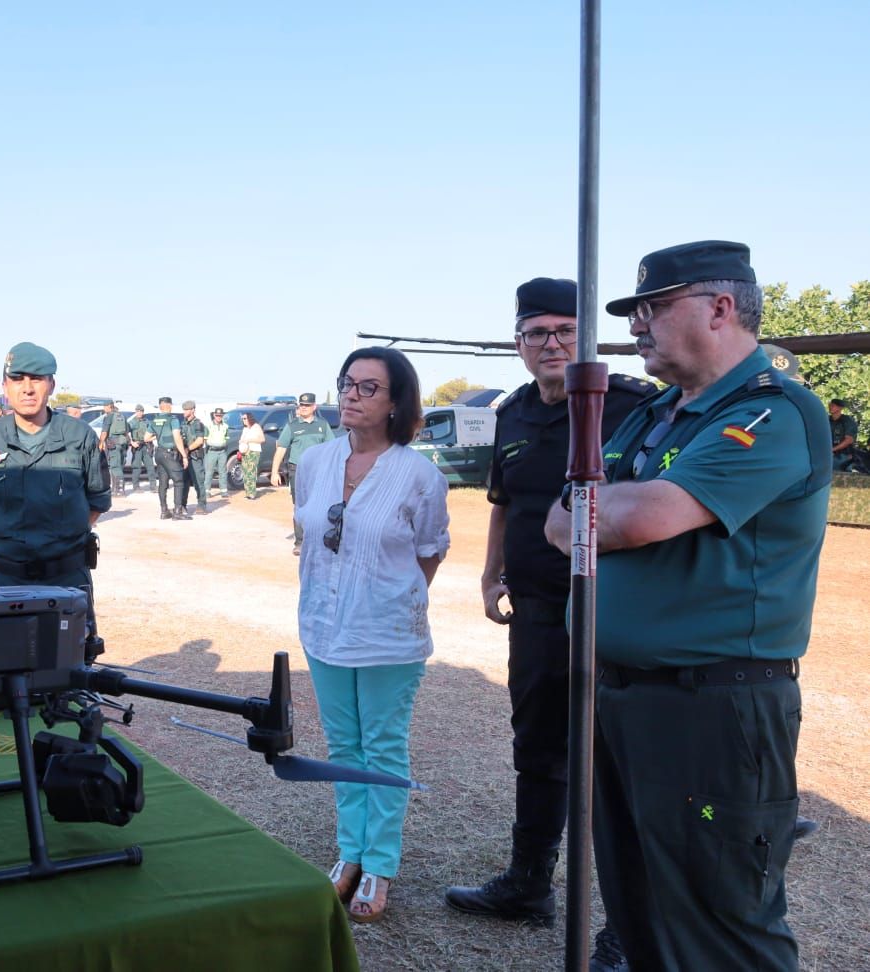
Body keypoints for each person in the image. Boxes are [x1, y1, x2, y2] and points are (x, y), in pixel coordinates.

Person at [544, 240, 830, 970]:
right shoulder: (659, 413)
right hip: (624, 701)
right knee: (642, 915)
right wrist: (598, 509)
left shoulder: (775, 413)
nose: (637, 325)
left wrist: (603, 509)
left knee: (724, 926)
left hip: (713, 709)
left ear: (721, 307)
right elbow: (559, 519)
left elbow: (638, 517)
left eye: (653, 307)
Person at [443, 278, 650, 967]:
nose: (551, 344)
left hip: (609, 611)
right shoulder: (515, 413)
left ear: (585, 338)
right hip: (534, 610)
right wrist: (489, 571)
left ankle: (622, 927)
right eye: (538, 333)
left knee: (615, 761)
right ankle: (528, 884)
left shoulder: (627, 407)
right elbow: (503, 501)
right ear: (519, 344)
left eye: (565, 331)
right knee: (537, 747)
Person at [296, 347, 448, 923]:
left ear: (394, 403)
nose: (352, 397)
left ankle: (379, 863)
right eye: (347, 384)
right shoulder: (314, 462)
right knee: (342, 748)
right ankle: (350, 853)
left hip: (387, 634)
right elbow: (306, 534)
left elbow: (430, 550)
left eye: (368, 388)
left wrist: (389, 597)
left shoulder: (419, 474)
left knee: (382, 748)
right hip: (323, 629)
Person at [0, 341, 109, 596]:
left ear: (51, 385)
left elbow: (97, 501)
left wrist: (61, 539)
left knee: (73, 638)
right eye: (18, 379)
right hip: (5, 577)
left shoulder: (80, 436)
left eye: (37, 379)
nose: (27, 389)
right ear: (5, 387)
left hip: (68, 577)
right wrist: (11, 538)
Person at [271, 392, 335, 554]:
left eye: (307, 405)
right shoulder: (292, 426)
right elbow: (281, 449)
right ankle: (299, 542)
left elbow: (331, 449)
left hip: (318, 471)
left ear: (314, 407)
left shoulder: (322, 425)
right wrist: (274, 472)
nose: (303, 408)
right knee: (300, 505)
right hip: (297, 471)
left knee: (319, 505)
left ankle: (316, 538)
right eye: (301, 405)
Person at [148, 396, 189, 519]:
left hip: (159, 453)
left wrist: (158, 437)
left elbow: (146, 438)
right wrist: (184, 455)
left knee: (163, 483)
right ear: (169, 405)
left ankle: (164, 511)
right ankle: (177, 512)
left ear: (160, 406)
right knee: (179, 480)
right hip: (169, 454)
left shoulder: (155, 420)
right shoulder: (173, 420)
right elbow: (177, 438)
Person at [177, 400, 210, 514]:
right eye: (184, 410)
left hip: (195, 457)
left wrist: (188, 449)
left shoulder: (198, 424)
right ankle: (182, 505)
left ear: (193, 410)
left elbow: (200, 440)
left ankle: (202, 505)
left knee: (198, 482)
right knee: (183, 482)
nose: (184, 412)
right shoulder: (183, 424)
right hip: (184, 458)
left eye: (186, 410)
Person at [97, 401, 131, 494]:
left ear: (109, 407)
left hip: (114, 444)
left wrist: (100, 443)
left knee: (115, 467)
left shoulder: (109, 417)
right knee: (119, 466)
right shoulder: (122, 416)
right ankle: (115, 489)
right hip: (123, 443)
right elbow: (127, 432)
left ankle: (119, 490)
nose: (104, 408)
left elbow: (104, 432)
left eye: (105, 406)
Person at [200, 407, 232, 499]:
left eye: (220, 415)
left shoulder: (225, 426)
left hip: (222, 451)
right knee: (209, 472)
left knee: (223, 471)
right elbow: (205, 439)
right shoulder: (208, 425)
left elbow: (227, 438)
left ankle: (224, 491)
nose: (219, 417)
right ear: (214, 415)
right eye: (217, 415)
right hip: (211, 451)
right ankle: (207, 492)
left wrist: (224, 446)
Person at [127, 403, 154, 492]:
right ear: (135, 412)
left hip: (146, 445)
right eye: (138, 411)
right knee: (136, 467)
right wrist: (132, 442)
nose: (139, 413)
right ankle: (136, 486)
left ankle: (153, 486)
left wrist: (151, 439)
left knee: (150, 466)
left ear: (143, 412)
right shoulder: (132, 422)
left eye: (141, 411)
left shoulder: (147, 422)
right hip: (137, 446)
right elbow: (125, 433)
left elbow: (153, 432)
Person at [239, 411, 265, 499]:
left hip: (253, 451)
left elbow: (262, 439)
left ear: (249, 418)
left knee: (251, 472)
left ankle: (252, 493)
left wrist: (249, 440)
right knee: (245, 472)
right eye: (242, 419)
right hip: (245, 452)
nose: (243, 420)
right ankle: (247, 492)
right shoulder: (245, 429)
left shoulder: (256, 427)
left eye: (245, 418)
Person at [829, 398, 859, 471]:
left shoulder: (847, 421)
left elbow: (849, 440)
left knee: (842, 478)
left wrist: (832, 449)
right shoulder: (827, 420)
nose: (830, 407)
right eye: (830, 405)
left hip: (843, 456)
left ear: (840, 408)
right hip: (829, 455)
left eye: (833, 405)